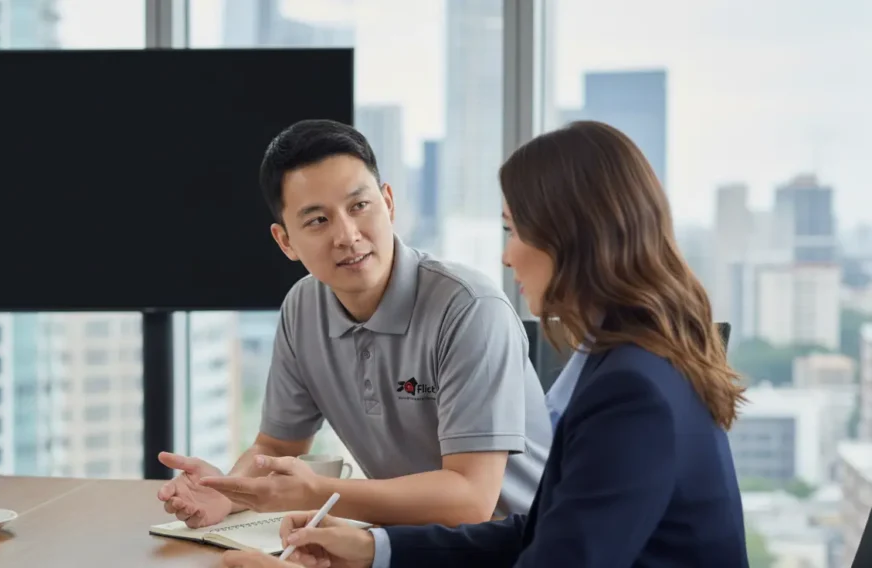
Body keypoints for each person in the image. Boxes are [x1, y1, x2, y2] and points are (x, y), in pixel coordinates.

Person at [218, 120, 750, 568]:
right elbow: (534, 535)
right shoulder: (621, 365)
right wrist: (371, 548)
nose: (507, 256)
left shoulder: (631, 391)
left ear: (572, 240)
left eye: (514, 231)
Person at [157, 119, 553, 529]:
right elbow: (276, 446)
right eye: (317, 220)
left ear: (389, 203)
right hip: (409, 544)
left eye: (359, 206)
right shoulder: (303, 307)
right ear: (285, 241)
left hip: (519, 546)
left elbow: (470, 501)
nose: (347, 235)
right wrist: (229, 492)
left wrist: (319, 494)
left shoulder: (469, 308)